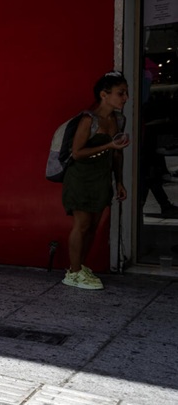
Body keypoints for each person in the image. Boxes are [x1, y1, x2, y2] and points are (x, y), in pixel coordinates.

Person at [61, 71, 131, 289]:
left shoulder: (118, 119)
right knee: (81, 225)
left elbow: (117, 154)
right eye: (121, 93)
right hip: (81, 178)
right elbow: (78, 152)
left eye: (126, 93)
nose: (125, 98)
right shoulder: (88, 120)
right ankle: (72, 273)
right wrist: (108, 146)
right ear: (104, 94)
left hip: (102, 179)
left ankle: (80, 266)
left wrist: (119, 181)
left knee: (93, 226)